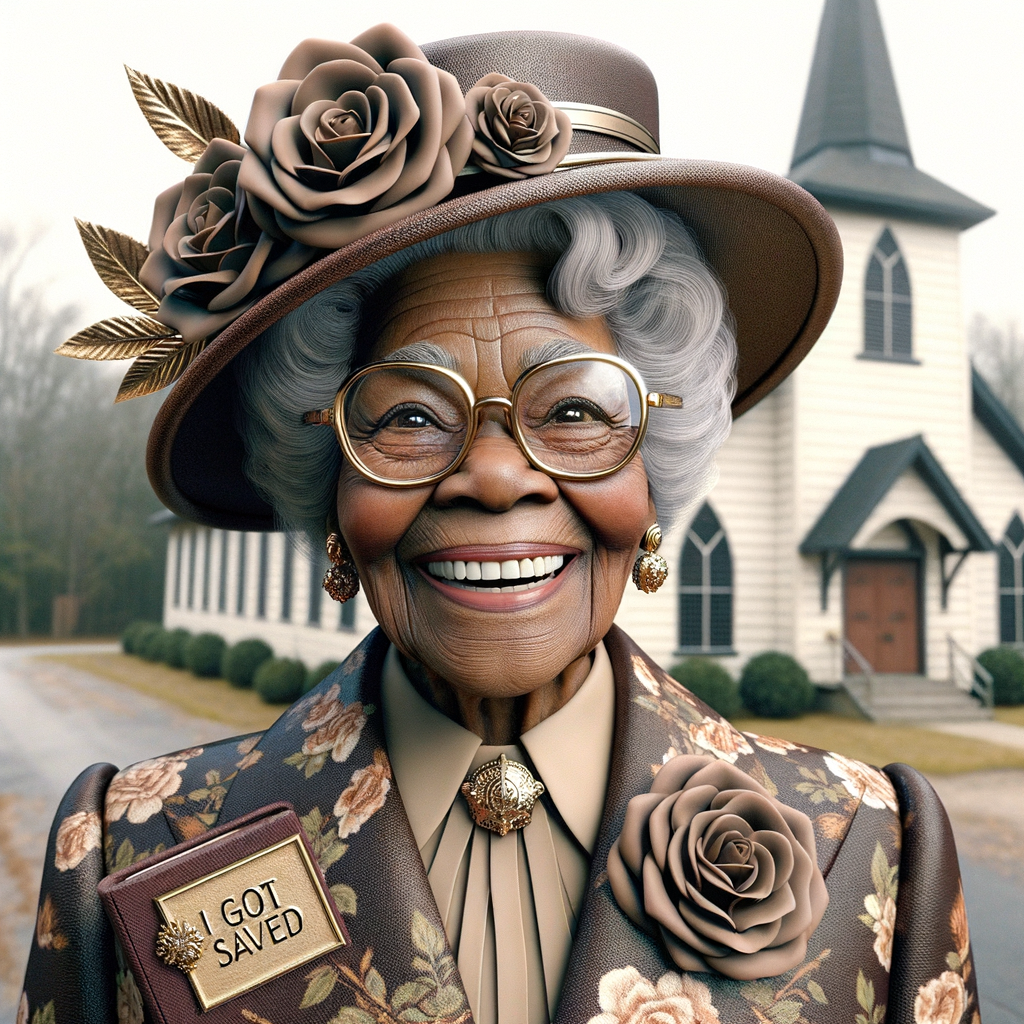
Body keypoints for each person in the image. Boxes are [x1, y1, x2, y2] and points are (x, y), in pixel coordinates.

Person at [21, 25, 979, 1024]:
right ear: (331, 493)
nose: (490, 475)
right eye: (407, 415)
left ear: (651, 468)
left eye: (571, 409)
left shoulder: (872, 846)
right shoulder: (137, 845)